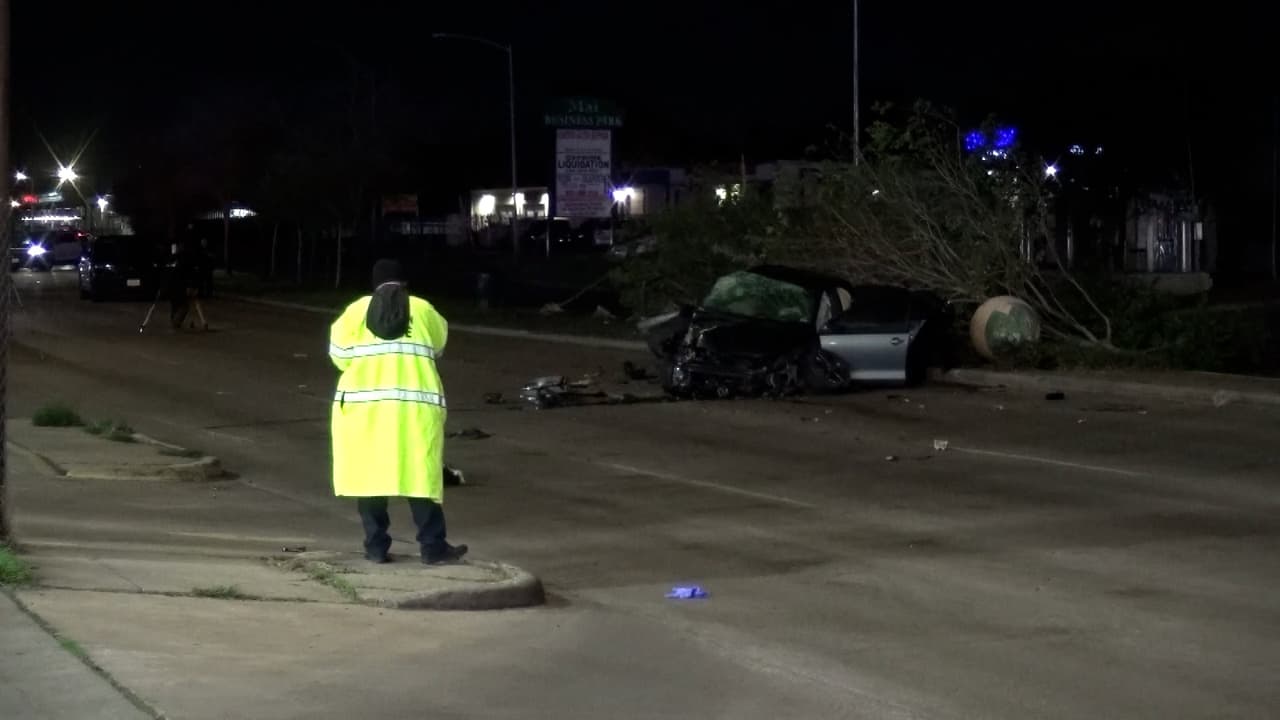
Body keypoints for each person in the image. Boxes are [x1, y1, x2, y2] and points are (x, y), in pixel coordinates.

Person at [329, 259, 468, 565]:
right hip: (414, 410)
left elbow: (338, 356)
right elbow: (439, 346)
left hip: (363, 411)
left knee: (369, 477)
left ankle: (376, 547)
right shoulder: (422, 309)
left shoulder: (355, 312)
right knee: (420, 475)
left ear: (374, 285)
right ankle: (433, 547)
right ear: (404, 283)